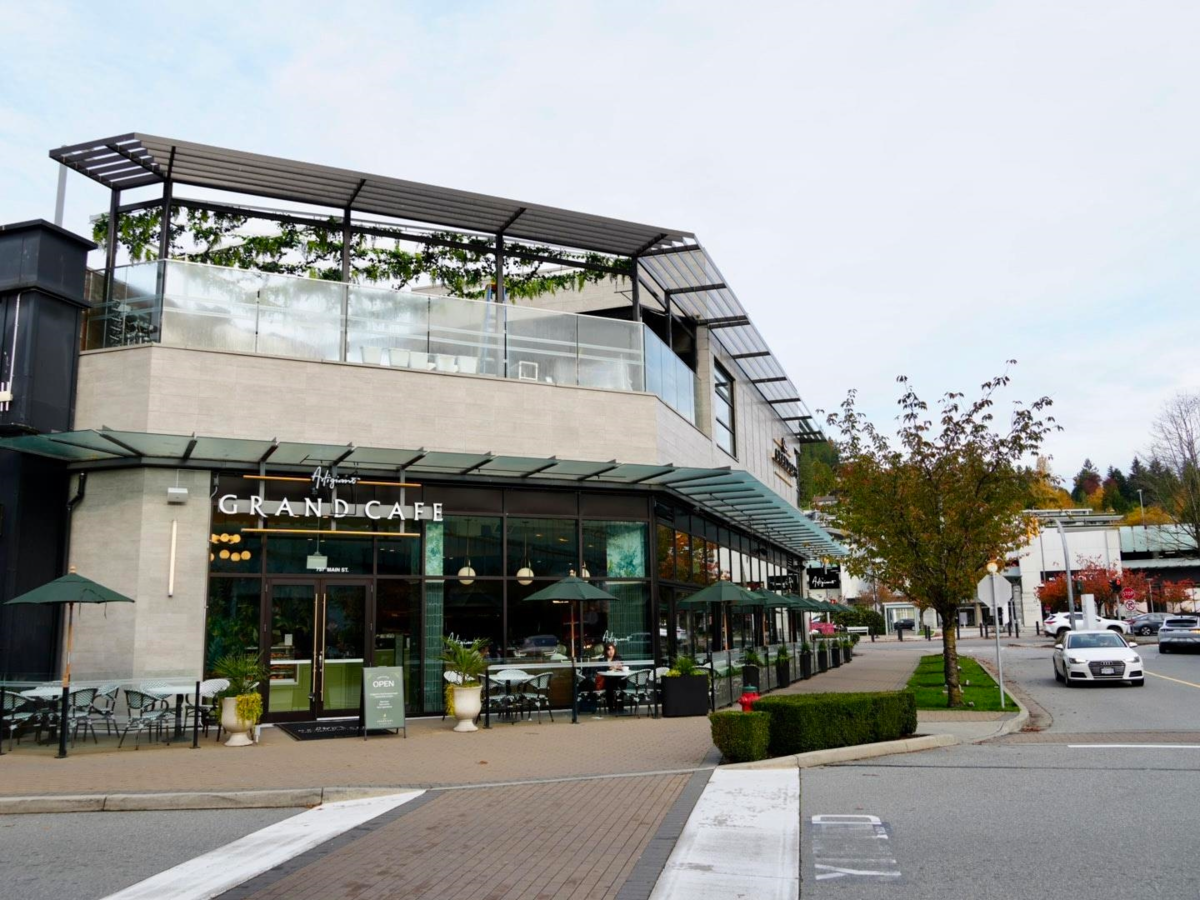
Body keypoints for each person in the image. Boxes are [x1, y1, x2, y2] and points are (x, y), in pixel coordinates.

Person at [596, 642, 626, 712]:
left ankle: (620, 707)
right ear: (606, 651)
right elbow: (599, 669)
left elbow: (621, 667)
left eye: (612, 649)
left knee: (622, 683)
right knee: (609, 686)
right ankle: (611, 708)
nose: (611, 651)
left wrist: (619, 668)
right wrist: (609, 668)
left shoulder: (618, 658)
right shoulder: (602, 659)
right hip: (605, 680)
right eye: (609, 650)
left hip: (617, 679)